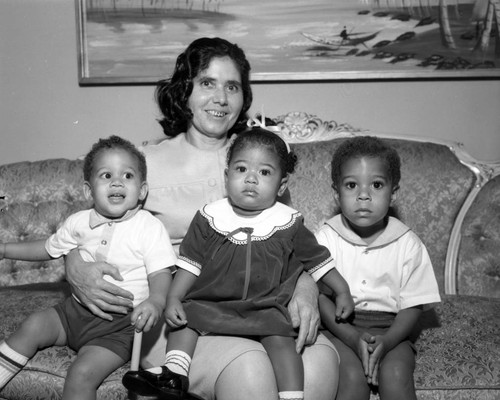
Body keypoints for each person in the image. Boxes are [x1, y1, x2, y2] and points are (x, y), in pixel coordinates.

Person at [65, 37, 340, 400]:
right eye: (207, 83)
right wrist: (73, 265)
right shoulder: (148, 162)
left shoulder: (260, 157)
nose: (221, 98)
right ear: (185, 90)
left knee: (318, 363)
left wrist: (304, 289)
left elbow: (291, 242)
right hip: (181, 318)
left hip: (263, 308)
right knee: (248, 365)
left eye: (232, 87)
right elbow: (91, 228)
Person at [127, 128, 353, 400]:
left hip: (266, 307)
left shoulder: (288, 221)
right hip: (212, 304)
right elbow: (190, 262)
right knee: (185, 319)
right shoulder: (210, 216)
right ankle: (175, 372)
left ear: (282, 185)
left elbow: (318, 260)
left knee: (284, 342)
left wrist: (341, 290)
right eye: (242, 168)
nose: (251, 178)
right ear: (227, 176)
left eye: (265, 173)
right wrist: (174, 296)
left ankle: (292, 394)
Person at [0, 136, 177, 399]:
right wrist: (4, 249)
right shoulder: (78, 222)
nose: (117, 182)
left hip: (117, 328)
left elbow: (161, 271)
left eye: (127, 175)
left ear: (141, 190)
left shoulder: (148, 226)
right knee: (33, 325)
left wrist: (156, 300)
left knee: (81, 374)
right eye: (106, 175)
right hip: (73, 312)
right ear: (88, 190)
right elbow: (48, 247)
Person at [315, 136, 441, 400]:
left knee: (395, 375)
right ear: (337, 193)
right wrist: (350, 337)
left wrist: (390, 340)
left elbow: (412, 305)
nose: (363, 195)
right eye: (351, 185)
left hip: (391, 328)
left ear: (393, 193)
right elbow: (320, 298)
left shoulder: (408, 243)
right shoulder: (325, 238)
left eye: (376, 185)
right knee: (350, 378)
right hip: (340, 329)